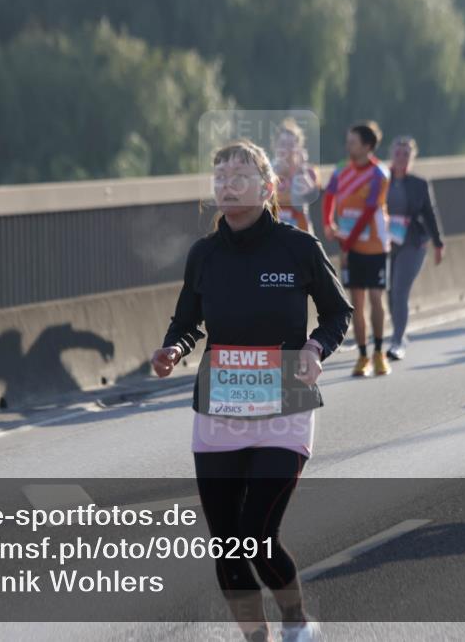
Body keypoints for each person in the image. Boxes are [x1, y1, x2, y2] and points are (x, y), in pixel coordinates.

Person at [152, 139, 352, 642]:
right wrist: (172, 350)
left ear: (268, 188)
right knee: (228, 548)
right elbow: (186, 323)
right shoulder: (204, 255)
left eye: (240, 175)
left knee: (257, 538)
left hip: (285, 400)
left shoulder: (298, 247)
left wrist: (314, 349)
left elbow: (337, 313)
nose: (227, 184)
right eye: (220, 177)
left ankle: (296, 623)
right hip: (220, 404)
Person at [322, 121, 391, 377]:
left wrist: (348, 243)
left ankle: (379, 352)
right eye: (347, 141)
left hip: (373, 245)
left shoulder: (379, 174)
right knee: (356, 302)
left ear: (367, 146)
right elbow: (329, 195)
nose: (348, 146)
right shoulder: (341, 170)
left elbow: (370, 209)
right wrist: (328, 222)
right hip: (349, 246)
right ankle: (363, 356)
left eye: (353, 142)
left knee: (375, 298)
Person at [384, 136, 445, 361]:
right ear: (391, 154)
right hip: (386, 241)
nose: (401, 158)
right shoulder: (382, 179)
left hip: (413, 242)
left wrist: (439, 243)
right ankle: (400, 332)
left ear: (412, 158)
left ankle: (397, 341)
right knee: (390, 292)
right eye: (398, 153)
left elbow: (430, 213)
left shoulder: (419, 184)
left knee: (400, 290)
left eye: (406, 154)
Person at [272, 118, 321, 234]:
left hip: (301, 232)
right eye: (282, 144)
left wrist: (301, 169)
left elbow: (307, 198)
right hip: (273, 234)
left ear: (299, 147)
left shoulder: (308, 171)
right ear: (275, 145)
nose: (286, 149)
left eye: (291, 144)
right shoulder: (267, 170)